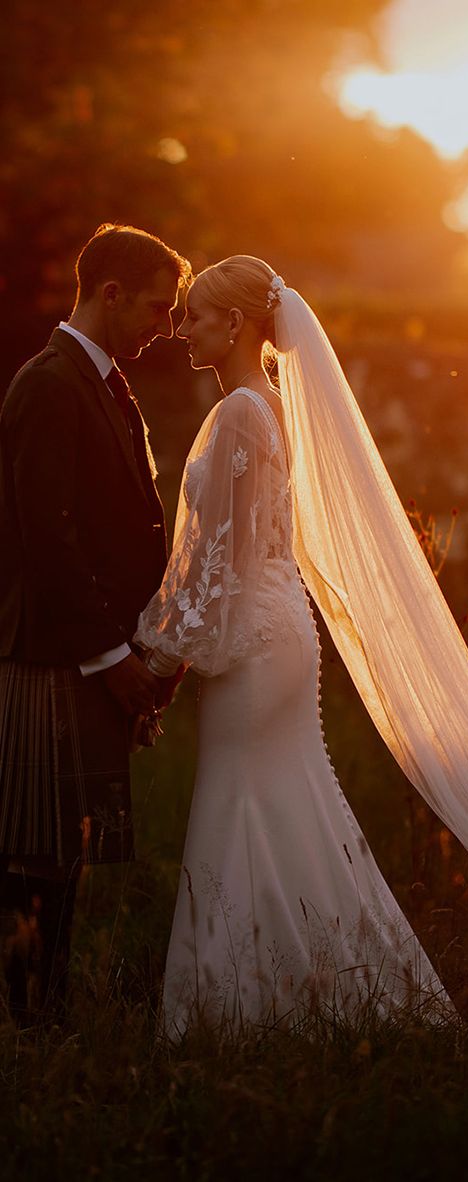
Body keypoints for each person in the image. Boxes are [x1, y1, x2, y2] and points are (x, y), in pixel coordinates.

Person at [135, 256, 461, 1036]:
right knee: (283, 796)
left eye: (196, 318)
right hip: (277, 628)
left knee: (241, 795)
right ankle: (321, 983)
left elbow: (218, 553)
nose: (182, 331)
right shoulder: (269, 405)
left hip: (252, 637)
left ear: (237, 325)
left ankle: (233, 1008)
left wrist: (157, 659)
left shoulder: (243, 413)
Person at [0, 222, 190, 1023]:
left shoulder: (103, 378)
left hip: (87, 652)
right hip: (53, 657)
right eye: (157, 306)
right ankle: (32, 1030)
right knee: (35, 855)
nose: (165, 325)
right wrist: (114, 658)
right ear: (109, 294)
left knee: (63, 852)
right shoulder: (50, 383)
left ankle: (42, 1020)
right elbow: (49, 537)